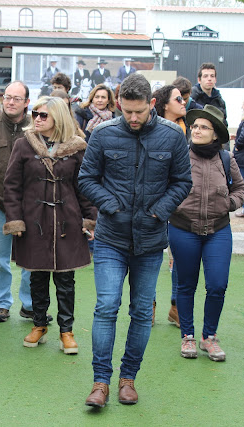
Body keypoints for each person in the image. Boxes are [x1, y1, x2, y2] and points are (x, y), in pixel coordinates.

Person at [79, 73, 192, 407]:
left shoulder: (172, 136)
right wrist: (110, 205)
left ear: (152, 104)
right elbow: (86, 179)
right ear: (118, 104)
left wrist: (160, 210)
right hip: (110, 238)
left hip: (150, 240)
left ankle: (128, 378)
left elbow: (182, 182)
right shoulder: (103, 133)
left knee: (142, 312)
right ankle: (100, 382)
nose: (132, 117)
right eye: (126, 111)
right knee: (106, 306)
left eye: (139, 111)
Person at [3, 96, 97, 354]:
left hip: (68, 221)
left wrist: (90, 219)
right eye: (35, 113)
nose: (37, 119)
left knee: (66, 280)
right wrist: (15, 220)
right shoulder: (23, 145)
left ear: (59, 117)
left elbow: (84, 187)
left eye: (43, 114)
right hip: (34, 221)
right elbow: (11, 186)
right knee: (37, 277)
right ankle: (39, 325)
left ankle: (67, 331)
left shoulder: (77, 147)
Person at [169, 105, 244, 362]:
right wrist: (174, 206)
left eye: (204, 127)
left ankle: (209, 337)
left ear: (216, 134)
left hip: (218, 230)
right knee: (186, 284)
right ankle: (188, 336)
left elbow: (241, 188)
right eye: (195, 126)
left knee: (217, 284)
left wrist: (229, 204)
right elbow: (164, 187)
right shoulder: (180, 156)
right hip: (183, 229)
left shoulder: (226, 159)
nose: (197, 130)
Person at [0, 81, 49, 322]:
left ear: (27, 102)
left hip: (31, 205)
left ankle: (29, 304)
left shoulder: (38, 127)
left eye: (16, 98)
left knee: (30, 258)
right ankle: (1, 303)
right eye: (7, 97)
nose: (10, 102)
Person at [152, 84, 189, 327]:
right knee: (151, 256)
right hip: (155, 203)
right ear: (164, 104)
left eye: (183, 99)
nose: (183, 102)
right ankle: (149, 304)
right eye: (178, 99)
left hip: (181, 203)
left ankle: (176, 307)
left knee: (179, 258)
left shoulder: (190, 129)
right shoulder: (152, 130)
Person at [191, 63, 228, 128]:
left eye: (212, 76)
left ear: (215, 80)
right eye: (205, 76)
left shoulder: (219, 101)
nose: (209, 79)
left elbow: (224, 124)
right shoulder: (192, 98)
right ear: (199, 80)